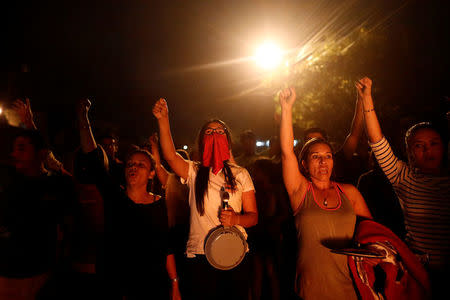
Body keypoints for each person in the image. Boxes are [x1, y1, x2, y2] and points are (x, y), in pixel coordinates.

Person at [153, 98, 258, 300]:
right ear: (201, 141)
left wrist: (236, 219)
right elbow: (171, 156)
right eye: (209, 132)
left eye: (220, 132)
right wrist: (163, 119)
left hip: (234, 252)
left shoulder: (241, 174)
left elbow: (253, 217)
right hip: (200, 256)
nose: (215, 135)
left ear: (228, 140)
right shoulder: (193, 171)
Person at [77, 98, 181, 300]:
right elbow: (92, 156)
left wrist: (175, 283)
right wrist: (83, 118)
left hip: (151, 287)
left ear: (151, 173)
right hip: (114, 286)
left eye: (140, 165)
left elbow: (166, 247)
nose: (133, 167)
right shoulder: (115, 197)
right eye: (130, 164)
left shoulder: (161, 205)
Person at [357, 77, 450, 297]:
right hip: (417, 273)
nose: (428, 150)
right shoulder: (404, 177)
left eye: (433, 144)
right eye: (419, 146)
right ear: (410, 153)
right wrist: (367, 97)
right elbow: (377, 141)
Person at [279, 87, 372, 300]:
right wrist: (286, 108)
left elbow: (371, 233)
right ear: (304, 164)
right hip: (310, 290)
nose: (323, 161)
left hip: (350, 289)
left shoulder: (350, 193)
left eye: (328, 156)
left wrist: (374, 254)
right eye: (315, 157)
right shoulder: (300, 191)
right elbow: (286, 152)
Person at [0, 129, 75, 300]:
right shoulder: (8, 183)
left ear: (40, 153)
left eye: (21, 148)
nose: (14, 154)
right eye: (14, 149)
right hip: (5, 275)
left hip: (40, 276)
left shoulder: (58, 185)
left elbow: (68, 227)